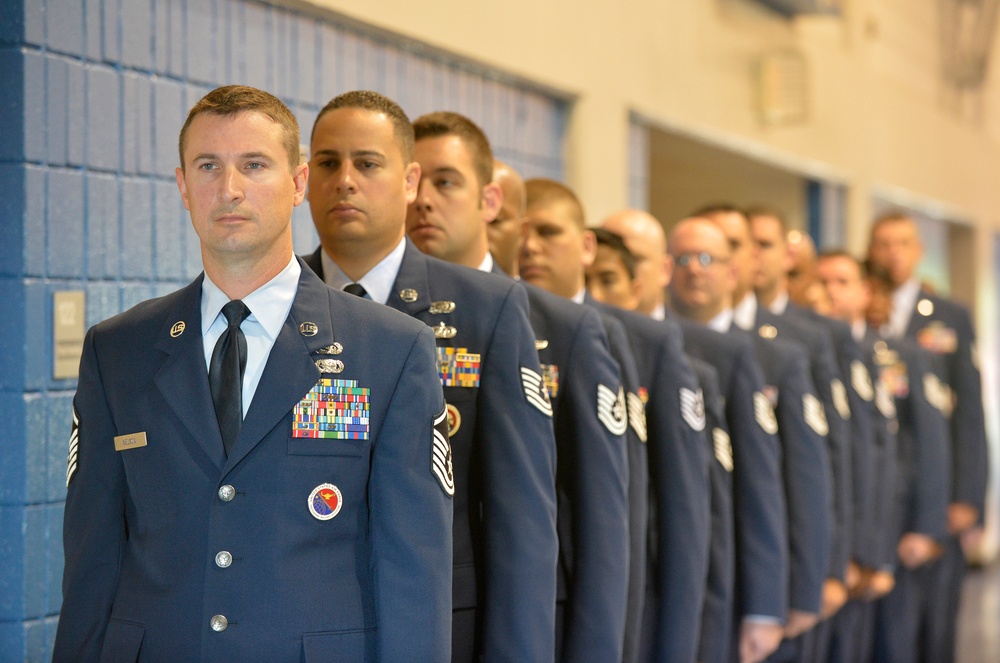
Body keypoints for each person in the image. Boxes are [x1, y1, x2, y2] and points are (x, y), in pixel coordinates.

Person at [53, 85, 453, 662]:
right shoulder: (119, 351)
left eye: (254, 165)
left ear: (297, 184)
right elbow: (91, 565)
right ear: (183, 186)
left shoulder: (390, 351)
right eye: (208, 166)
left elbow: (414, 570)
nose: (230, 189)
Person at [303, 91, 559, 662]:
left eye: (367, 163)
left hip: (442, 629)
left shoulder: (485, 308)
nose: (345, 180)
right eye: (327, 163)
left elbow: (523, 522)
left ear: (409, 180)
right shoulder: (272, 305)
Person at [405, 111, 631, 663]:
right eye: (415, 181)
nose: (423, 200)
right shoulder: (368, 316)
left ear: (490, 203)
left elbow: (601, 523)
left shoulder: (561, 327)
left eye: (445, 181)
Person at [587, 228, 735, 663]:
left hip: (648, 595)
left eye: (610, 278)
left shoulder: (669, 356)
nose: (596, 294)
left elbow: (693, 512)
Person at [817, 251, 951, 662]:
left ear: (864, 292)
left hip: (895, 527)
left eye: (841, 282)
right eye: (821, 283)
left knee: (890, 645)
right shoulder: (809, 353)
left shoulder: (899, 356)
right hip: (840, 533)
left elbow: (929, 445)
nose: (829, 293)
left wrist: (926, 526)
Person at [867, 211, 987, 663]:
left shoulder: (949, 315)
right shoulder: (867, 315)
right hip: (888, 491)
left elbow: (969, 413)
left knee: (933, 627)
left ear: (918, 251)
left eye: (902, 243)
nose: (892, 253)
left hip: (939, 490)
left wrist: (968, 497)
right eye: (883, 243)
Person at [487, 159, 524, 276]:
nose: (479, 232)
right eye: (471, 221)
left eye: (495, 222)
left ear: (522, 231)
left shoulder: (529, 295)